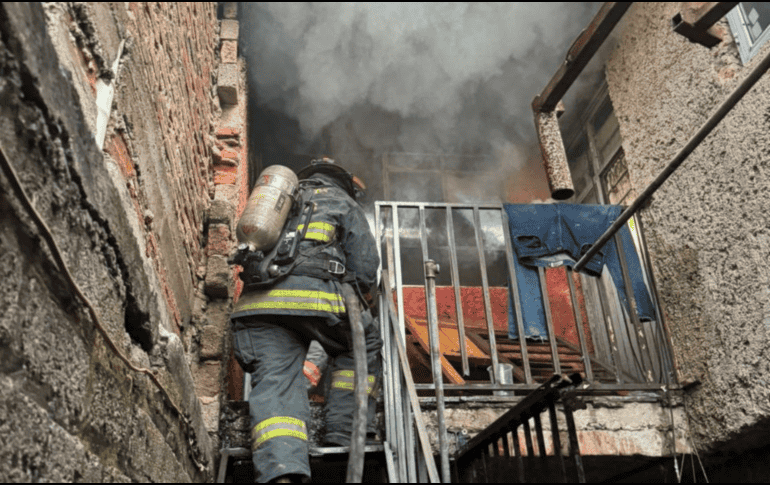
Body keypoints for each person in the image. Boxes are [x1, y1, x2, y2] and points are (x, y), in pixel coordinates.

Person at [230, 159, 382, 483]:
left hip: (257, 306)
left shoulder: (280, 204)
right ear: (342, 182)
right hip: (315, 299)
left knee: (275, 379)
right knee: (362, 342)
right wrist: (360, 295)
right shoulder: (342, 201)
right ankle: (345, 432)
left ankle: (281, 472)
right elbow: (367, 267)